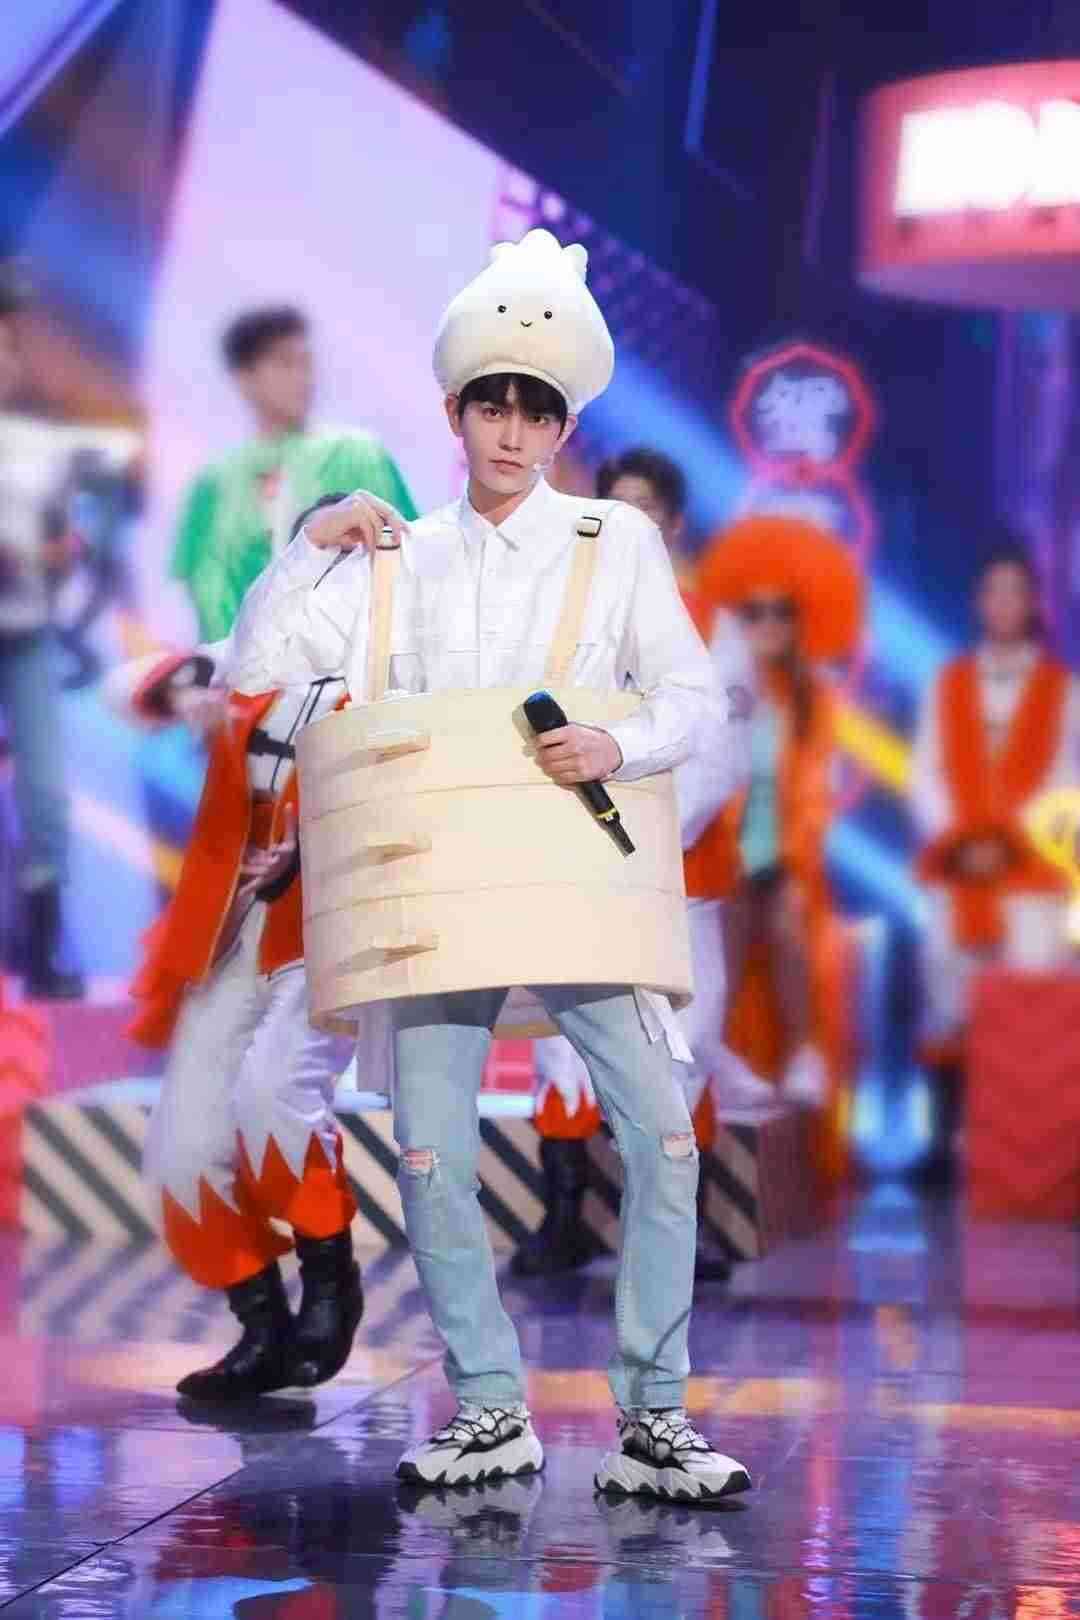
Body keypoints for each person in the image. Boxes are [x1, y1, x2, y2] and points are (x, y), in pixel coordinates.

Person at [224, 229, 752, 1504]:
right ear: (455, 411)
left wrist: (616, 742)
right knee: (429, 1152)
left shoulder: (616, 543)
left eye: (538, 411)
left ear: (565, 424)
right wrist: (310, 548)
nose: (513, 434)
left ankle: (656, 1417)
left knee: (663, 1137)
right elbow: (259, 672)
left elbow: (697, 701)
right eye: (492, 407)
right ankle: (487, 1407)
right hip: (438, 901)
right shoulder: (397, 555)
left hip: (577, 886)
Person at [104, 496, 373, 1401]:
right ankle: (260, 1321)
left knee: (273, 1096)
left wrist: (314, 842)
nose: (343, 568)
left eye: (359, 551)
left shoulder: (406, 664)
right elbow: (134, 690)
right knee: (181, 1148)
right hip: (234, 922)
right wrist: (187, 691)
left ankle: (330, 1282)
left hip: (334, 922)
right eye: (325, 549)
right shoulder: (255, 651)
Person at [516, 446, 755, 1284]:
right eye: (616, 507)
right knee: (563, 1042)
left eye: (646, 508)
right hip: (581, 872)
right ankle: (564, 1218)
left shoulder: (715, 628)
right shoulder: (565, 618)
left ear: (674, 523)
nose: (630, 523)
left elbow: (721, 755)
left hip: (681, 874)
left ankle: (674, 1233)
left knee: (686, 1041)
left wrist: (642, 835)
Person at [910, 541, 1079, 1174]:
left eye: (1016, 591)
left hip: (1031, 873)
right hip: (958, 866)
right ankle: (943, 1148)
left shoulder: (1065, 690)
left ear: (1033, 602)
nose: (1004, 603)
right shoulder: (947, 682)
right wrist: (963, 840)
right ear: (979, 602)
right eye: (994, 591)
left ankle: (1030, 1150)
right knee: (946, 996)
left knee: (1030, 997)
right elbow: (924, 772)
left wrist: (1007, 842)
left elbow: (1067, 778)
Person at [693, 514, 864, 1113]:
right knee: (729, 907)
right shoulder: (717, 683)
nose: (767, 625)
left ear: (797, 623)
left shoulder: (813, 697)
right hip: (722, 845)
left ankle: (803, 1054)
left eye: (780, 612)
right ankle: (713, 1052)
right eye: (754, 612)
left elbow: (817, 791)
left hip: (785, 853)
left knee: (789, 905)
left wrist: (788, 854)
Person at [171, 305, 417, 644]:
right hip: (242, 666)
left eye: (307, 363)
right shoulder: (214, 482)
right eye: (286, 363)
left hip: (343, 662)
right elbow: (203, 589)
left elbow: (406, 560)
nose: (304, 378)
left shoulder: (358, 453)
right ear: (245, 377)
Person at [0, 268, 83, 998]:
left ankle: (42, 949)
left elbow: (64, 542)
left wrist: (55, 554)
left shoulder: (38, 447)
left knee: (47, 795)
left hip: (26, 635)